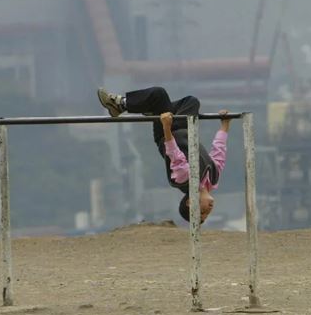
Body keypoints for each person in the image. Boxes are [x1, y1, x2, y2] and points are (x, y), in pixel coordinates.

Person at [97, 86, 230, 224]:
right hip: (184, 127)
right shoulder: (213, 179)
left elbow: (174, 153)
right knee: (192, 102)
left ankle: (119, 104)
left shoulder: (184, 180)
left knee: (159, 95)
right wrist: (225, 125)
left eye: (202, 211)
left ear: (190, 202)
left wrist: (166, 126)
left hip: (167, 134)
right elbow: (218, 153)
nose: (208, 210)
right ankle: (151, 109)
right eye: (207, 214)